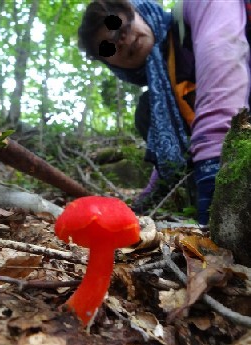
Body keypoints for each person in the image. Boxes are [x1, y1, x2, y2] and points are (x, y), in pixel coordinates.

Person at [77, 0, 250, 225]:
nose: (121, 39)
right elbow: (167, 148)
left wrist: (213, 169)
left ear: (135, 10)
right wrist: (145, 200)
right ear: (109, 64)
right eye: (106, 47)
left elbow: (223, 61)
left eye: (116, 22)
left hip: (231, 152)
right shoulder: (159, 99)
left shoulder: (200, 7)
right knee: (146, 111)